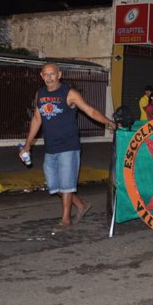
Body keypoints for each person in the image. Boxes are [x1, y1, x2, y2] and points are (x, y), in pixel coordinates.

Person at [21, 63, 116, 232]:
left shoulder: (69, 93)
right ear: (41, 76)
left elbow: (90, 111)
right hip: (50, 148)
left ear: (59, 75)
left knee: (66, 185)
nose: (49, 77)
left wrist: (108, 122)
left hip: (69, 146)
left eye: (52, 74)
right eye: (45, 74)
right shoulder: (40, 94)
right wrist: (27, 144)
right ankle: (82, 205)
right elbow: (37, 119)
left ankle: (65, 219)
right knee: (55, 186)